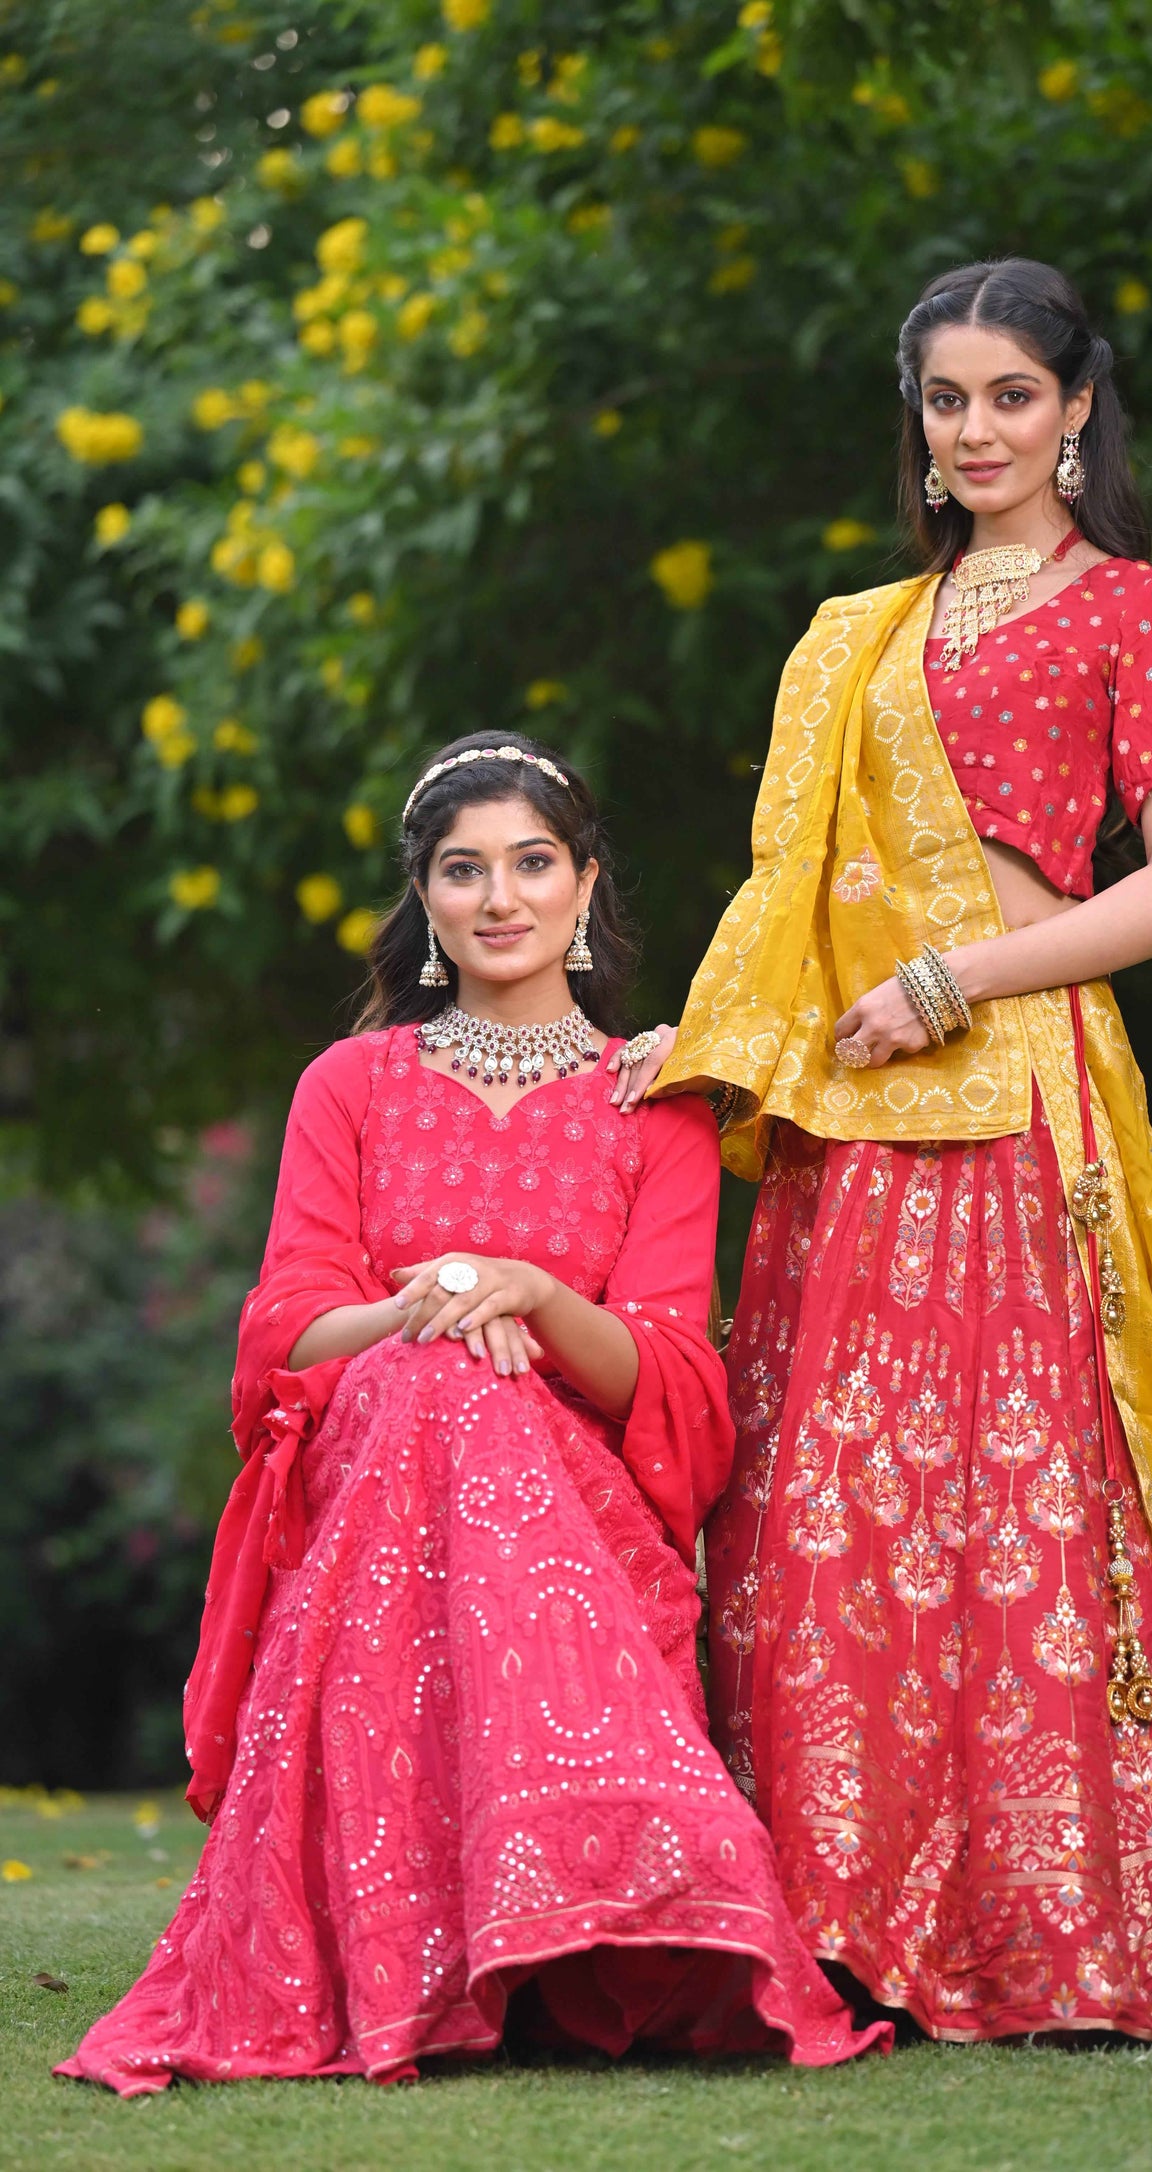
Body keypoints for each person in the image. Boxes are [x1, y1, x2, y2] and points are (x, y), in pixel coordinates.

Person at [626, 261, 1152, 2044]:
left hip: (1020, 1090)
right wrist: (700, 1041)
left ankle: (1051, 1923)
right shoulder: (857, 633)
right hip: (856, 1117)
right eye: (947, 399)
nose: (978, 430)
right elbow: (792, 901)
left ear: (1076, 405)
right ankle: (828, 1923)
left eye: (1013, 394)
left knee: (1026, 1498)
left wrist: (954, 978)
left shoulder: (1136, 609)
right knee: (831, 1502)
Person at [58, 732, 888, 2094]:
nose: (501, 897)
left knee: (465, 1388)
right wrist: (437, 1302)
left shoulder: (654, 1103)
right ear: (425, 899)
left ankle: (523, 1937)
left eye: (532, 863)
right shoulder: (351, 1084)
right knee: (436, 1380)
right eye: (464, 870)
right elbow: (284, 1336)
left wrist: (533, 1297)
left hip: (579, 1505)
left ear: (586, 884)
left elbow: (673, 1381)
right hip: (379, 1463)